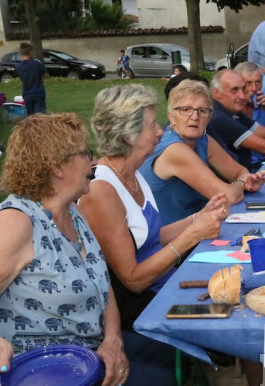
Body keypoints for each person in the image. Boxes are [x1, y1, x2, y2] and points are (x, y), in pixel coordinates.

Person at [0, 113, 179, 386]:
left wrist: (112, 339)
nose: (94, 161)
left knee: (164, 350)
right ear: (57, 167)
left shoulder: (72, 212)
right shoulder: (15, 224)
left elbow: (104, 287)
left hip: (81, 354)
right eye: (86, 153)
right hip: (28, 379)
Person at [79, 84, 228, 331]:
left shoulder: (132, 174)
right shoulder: (101, 190)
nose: (160, 131)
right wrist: (192, 235)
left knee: (236, 287)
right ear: (128, 135)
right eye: (151, 126)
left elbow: (149, 237)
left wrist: (198, 217)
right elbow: (133, 279)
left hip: (164, 284)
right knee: (231, 311)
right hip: (142, 305)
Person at [139, 78, 265, 227]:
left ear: (209, 117)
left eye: (202, 111)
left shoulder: (203, 140)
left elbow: (241, 171)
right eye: (185, 110)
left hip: (198, 230)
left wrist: (243, 180)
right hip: (169, 241)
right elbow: (229, 196)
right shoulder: (174, 149)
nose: (194, 117)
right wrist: (240, 183)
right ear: (171, 116)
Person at [207, 69, 265, 171]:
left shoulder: (232, 111)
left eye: (243, 89)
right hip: (236, 182)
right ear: (217, 93)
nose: (242, 96)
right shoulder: (218, 117)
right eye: (234, 90)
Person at [15, 42, 48, 115]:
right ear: (30, 52)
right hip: (38, 93)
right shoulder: (36, 63)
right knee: (40, 116)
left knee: (31, 117)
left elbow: (21, 79)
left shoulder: (18, 66)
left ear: (21, 53)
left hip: (27, 94)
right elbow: (46, 75)